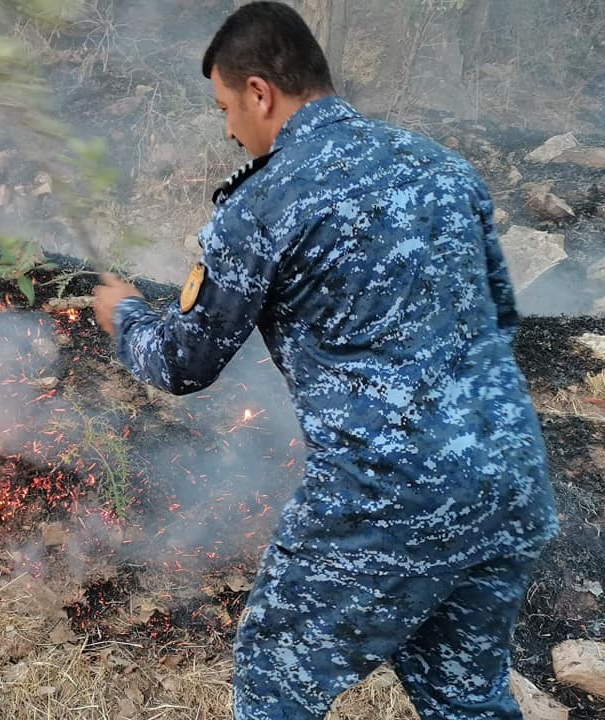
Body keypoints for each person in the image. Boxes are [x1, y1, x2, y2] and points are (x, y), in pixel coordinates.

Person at [91, 2, 559, 719]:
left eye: (225, 107)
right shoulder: (445, 169)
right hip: (512, 483)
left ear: (259, 93)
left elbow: (184, 363)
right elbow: (500, 321)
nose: (227, 129)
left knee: (274, 686)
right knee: (467, 699)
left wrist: (123, 316)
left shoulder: (266, 200)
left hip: (387, 501)